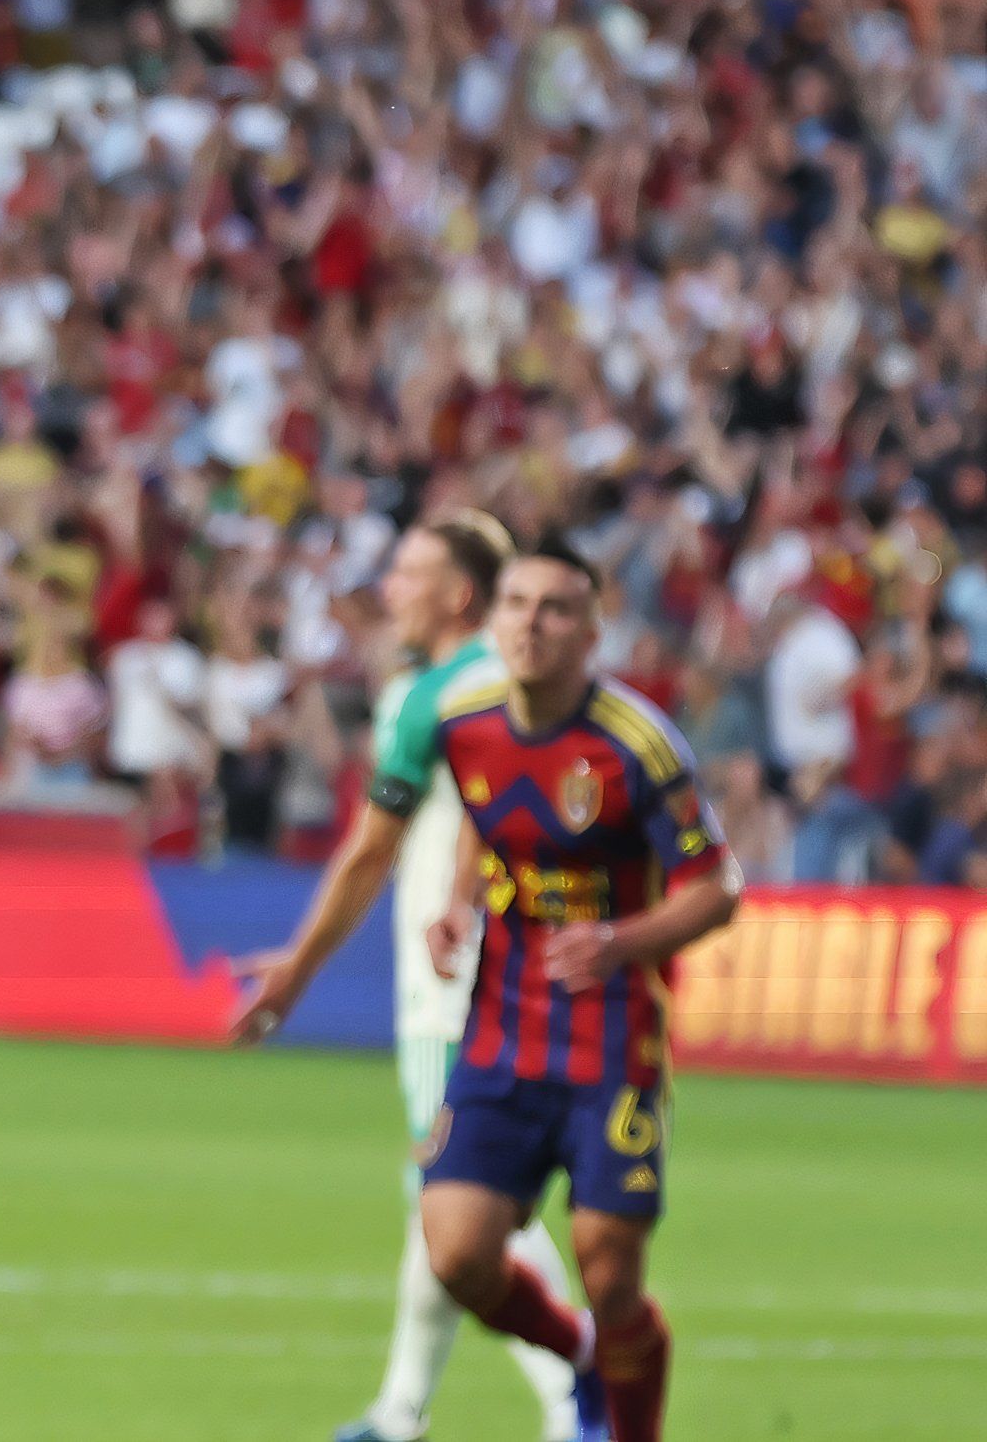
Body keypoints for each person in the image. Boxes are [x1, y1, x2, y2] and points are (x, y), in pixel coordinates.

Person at [234, 513, 590, 1442]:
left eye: (410, 571)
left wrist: (298, 969)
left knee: (472, 1198)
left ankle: (579, 1391)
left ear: (458, 594)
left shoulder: (438, 695)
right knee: (438, 1191)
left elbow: (368, 852)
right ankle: (400, 1413)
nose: (390, 586)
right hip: (499, 971)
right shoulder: (514, 686)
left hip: (459, 984)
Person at [420, 539, 743, 1442]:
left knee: (610, 1270)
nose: (531, 624)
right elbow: (490, 822)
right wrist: (456, 907)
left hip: (612, 1043)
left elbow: (719, 888)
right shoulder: (466, 725)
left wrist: (620, 942)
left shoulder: (636, 745)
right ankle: (581, 1357)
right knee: (456, 1253)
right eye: (516, 604)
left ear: (593, 630)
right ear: (491, 620)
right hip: (500, 1036)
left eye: (556, 608)